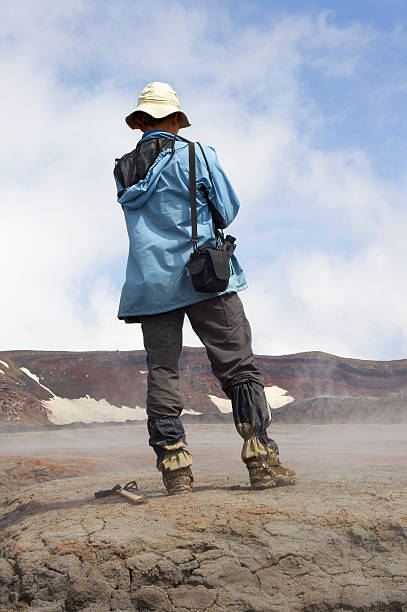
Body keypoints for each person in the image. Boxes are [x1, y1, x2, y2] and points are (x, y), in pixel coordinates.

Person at [114, 82, 296, 495]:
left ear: (140, 121)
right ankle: (260, 458)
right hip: (205, 278)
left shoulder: (124, 169)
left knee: (162, 370)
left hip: (150, 283)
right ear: (176, 118)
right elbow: (227, 210)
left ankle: (174, 466)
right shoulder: (196, 154)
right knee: (237, 366)